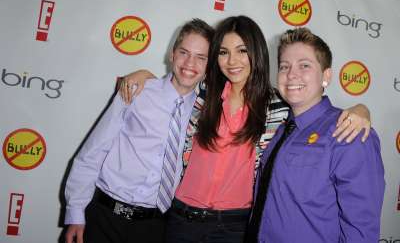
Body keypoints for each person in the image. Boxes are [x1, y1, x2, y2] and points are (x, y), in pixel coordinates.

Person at [118, 16, 372, 243]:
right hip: (181, 218)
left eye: (242, 50)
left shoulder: (278, 108)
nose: (232, 61)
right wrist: (144, 75)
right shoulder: (203, 93)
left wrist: (361, 109)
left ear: (256, 53)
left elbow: (315, 109)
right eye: (223, 52)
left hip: (233, 227)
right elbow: (175, 81)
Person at [64, 18, 214, 243]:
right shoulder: (136, 91)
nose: (190, 63)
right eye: (184, 52)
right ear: (172, 54)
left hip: (156, 228)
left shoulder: (208, 113)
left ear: (209, 66)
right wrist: (76, 214)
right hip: (105, 217)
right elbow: (93, 151)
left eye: (201, 57)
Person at [246, 27, 385, 243]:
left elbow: (361, 230)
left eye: (304, 65)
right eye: (284, 66)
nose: (292, 74)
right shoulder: (281, 129)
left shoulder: (349, 132)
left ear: (326, 76)